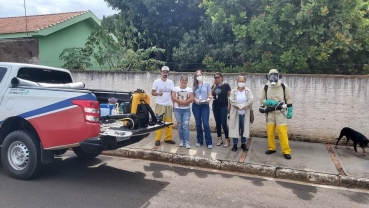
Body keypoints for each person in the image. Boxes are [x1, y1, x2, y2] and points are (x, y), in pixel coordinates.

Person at [259, 69, 293, 160]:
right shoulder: (265, 87)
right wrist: (269, 102)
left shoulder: (283, 86)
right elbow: (261, 99)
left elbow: (288, 99)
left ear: (278, 76)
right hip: (270, 113)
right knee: (270, 132)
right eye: (271, 76)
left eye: (275, 76)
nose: (273, 78)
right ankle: (271, 148)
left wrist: (290, 110)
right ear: (268, 77)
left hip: (280, 113)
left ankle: (286, 151)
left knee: (282, 132)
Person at [229, 75, 254, 152]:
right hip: (236, 113)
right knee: (235, 128)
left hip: (244, 113)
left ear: (245, 82)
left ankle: (243, 144)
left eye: (243, 81)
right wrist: (240, 106)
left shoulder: (248, 91)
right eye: (240, 81)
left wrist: (243, 106)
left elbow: (251, 100)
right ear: (237, 82)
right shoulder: (233, 91)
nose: (241, 83)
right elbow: (231, 100)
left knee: (244, 129)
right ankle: (235, 144)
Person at [151, 66, 175, 146]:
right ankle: (157, 139)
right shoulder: (156, 82)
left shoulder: (171, 82)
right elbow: (152, 92)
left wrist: (173, 104)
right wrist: (158, 94)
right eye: (163, 72)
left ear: (168, 73)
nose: (165, 73)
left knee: (168, 122)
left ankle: (168, 138)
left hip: (168, 105)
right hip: (160, 104)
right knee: (159, 122)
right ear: (161, 72)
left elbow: (172, 94)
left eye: (166, 72)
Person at [192, 70, 213, 149]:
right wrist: (195, 100)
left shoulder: (207, 84)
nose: (199, 76)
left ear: (202, 75)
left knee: (206, 124)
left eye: (200, 75)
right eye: (197, 75)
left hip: (205, 106)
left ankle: (209, 142)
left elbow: (210, 94)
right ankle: (199, 141)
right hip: (196, 106)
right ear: (195, 77)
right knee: (198, 124)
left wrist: (209, 98)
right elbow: (192, 96)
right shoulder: (194, 86)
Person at [171, 75, 194, 149]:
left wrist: (184, 103)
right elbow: (173, 97)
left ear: (187, 81)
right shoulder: (175, 88)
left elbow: (191, 98)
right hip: (177, 110)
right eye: (182, 80)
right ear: (180, 81)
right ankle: (181, 140)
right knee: (180, 126)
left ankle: (186, 141)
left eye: (185, 80)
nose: (184, 81)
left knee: (186, 126)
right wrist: (180, 101)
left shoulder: (189, 89)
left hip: (186, 110)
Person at [211, 72, 231, 147]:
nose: (217, 79)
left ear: (221, 77)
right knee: (218, 123)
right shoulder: (214, 86)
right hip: (215, 107)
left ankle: (227, 139)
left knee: (224, 123)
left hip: (223, 107)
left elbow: (230, 97)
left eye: (218, 77)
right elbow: (210, 94)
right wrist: (214, 86)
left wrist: (229, 107)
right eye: (215, 78)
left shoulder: (226, 85)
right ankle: (219, 139)